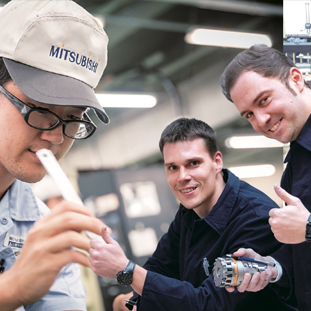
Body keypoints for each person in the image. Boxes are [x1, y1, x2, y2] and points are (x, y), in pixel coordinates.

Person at [89, 117, 297, 311]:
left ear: (217, 161)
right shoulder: (188, 213)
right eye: (172, 167)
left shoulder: (255, 218)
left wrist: (126, 271)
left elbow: (208, 305)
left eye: (193, 163)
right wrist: (134, 299)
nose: (182, 177)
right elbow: (158, 269)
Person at [0, 0, 110, 310]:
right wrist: (9, 290)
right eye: (39, 108)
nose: (56, 135)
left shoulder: (44, 230)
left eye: (72, 117)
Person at [220, 44, 311, 309]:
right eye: (248, 114)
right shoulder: (297, 161)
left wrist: (307, 227)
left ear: (296, 79)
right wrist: (273, 267)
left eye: (264, 100)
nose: (260, 120)